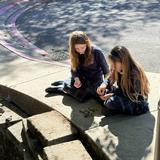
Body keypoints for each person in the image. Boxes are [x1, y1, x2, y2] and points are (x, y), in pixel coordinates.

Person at [46, 31, 109, 102]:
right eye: (77, 48)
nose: (80, 51)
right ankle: (63, 86)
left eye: (82, 47)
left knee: (85, 96)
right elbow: (74, 68)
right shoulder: (74, 52)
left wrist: (104, 84)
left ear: (87, 44)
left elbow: (107, 72)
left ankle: (63, 86)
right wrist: (76, 78)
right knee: (78, 90)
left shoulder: (96, 52)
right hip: (81, 79)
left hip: (94, 80)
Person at [97, 46, 150, 116]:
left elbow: (133, 95)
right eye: (111, 64)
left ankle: (117, 108)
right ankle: (116, 107)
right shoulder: (118, 68)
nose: (112, 67)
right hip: (123, 92)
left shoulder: (135, 73)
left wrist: (112, 95)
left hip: (136, 101)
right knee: (101, 92)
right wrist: (104, 84)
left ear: (123, 62)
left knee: (109, 103)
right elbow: (109, 77)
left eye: (113, 64)